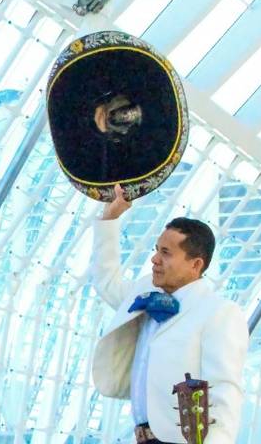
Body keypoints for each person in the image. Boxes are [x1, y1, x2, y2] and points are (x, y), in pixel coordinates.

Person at [90, 185, 248, 444]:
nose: (154, 259)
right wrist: (110, 219)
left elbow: (224, 389)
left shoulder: (218, 313)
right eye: (156, 249)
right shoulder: (145, 292)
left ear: (195, 265)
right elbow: (106, 282)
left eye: (166, 253)